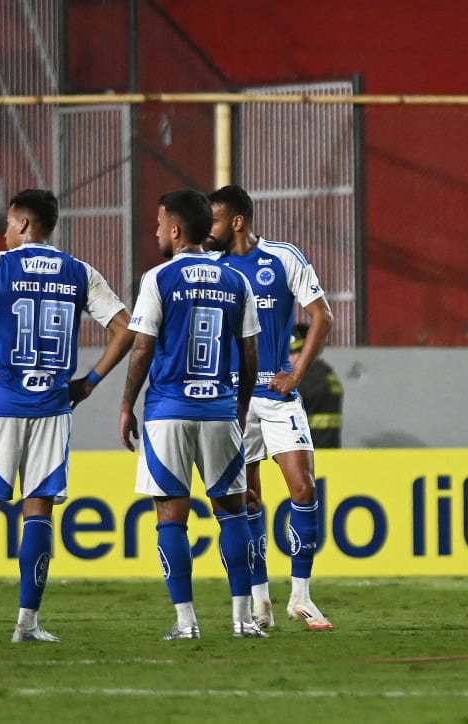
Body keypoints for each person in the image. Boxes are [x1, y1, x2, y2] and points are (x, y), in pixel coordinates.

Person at [0, 189, 133, 644]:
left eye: (8, 223)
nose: (4, 233)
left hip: (0, 402)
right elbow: (125, 329)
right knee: (38, 511)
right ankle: (27, 624)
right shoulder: (80, 272)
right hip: (53, 406)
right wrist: (89, 382)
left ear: (23, 224)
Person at [119, 189, 264, 640]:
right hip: (220, 410)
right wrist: (238, 408)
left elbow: (142, 347)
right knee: (233, 514)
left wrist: (126, 404)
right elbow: (250, 354)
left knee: (170, 517)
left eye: (160, 224)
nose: (157, 231)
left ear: (177, 231)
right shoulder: (238, 282)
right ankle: (243, 620)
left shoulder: (158, 278)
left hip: (168, 411)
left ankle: (186, 623)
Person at [205, 184, 335, 630]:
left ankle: (300, 595)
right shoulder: (208, 267)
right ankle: (260, 606)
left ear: (236, 222)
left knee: (304, 489)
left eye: (215, 221)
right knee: (249, 500)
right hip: (231, 402)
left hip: (277, 397)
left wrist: (297, 373)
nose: (208, 229)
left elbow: (323, 315)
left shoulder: (282, 258)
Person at [291, 324, 343, 449]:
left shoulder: (305, 379)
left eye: (293, 353)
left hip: (308, 453)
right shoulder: (324, 371)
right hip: (327, 450)